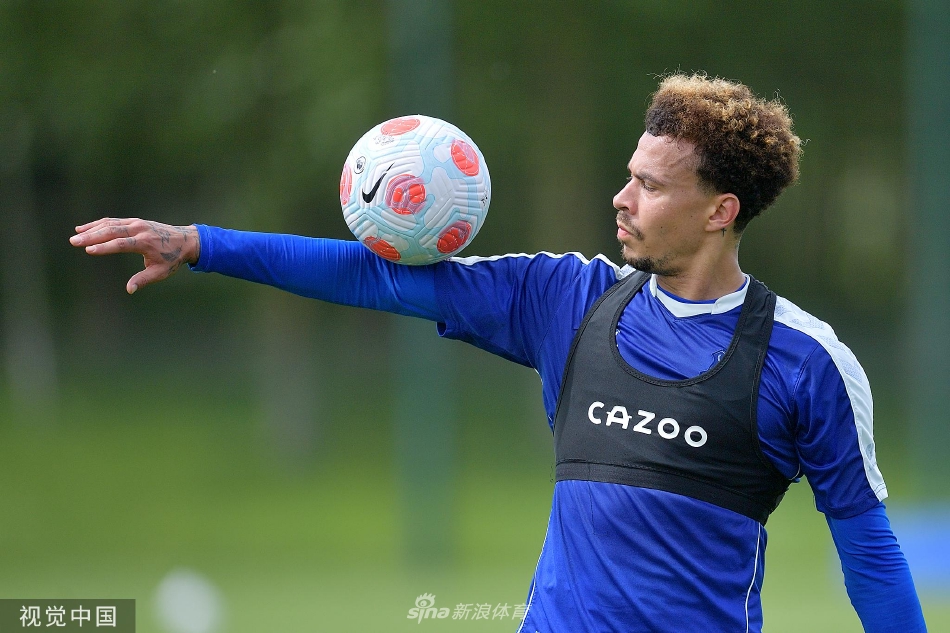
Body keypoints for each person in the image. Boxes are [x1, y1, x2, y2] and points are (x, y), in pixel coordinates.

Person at [71, 74, 927, 632]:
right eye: (628, 172)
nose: (621, 197)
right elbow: (375, 278)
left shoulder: (804, 361)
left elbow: (869, 552)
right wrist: (199, 242)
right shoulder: (566, 299)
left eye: (650, 184)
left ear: (719, 211)